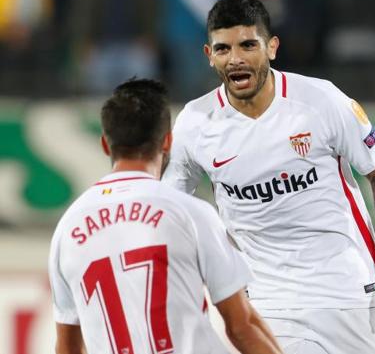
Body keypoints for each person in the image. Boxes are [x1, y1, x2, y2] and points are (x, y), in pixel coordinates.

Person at [162, 0, 375, 354]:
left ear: (272, 47)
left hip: (347, 292)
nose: (235, 59)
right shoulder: (195, 123)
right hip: (269, 304)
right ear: (208, 55)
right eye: (223, 49)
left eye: (248, 45)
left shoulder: (321, 101)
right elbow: (169, 206)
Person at [48, 79, 283, 354]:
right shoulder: (189, 213)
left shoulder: (67, 229)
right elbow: (242, 326)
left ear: (105, 143)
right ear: (168, 141)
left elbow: (68, 348)